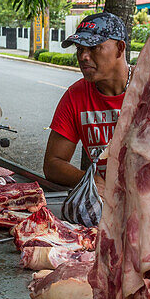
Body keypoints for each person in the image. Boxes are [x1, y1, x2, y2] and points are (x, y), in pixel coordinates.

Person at [43, 11, 131, 188]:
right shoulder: (76, 96)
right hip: (106, 204)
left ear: (120, 48)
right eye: (80, 49)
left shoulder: (149, 90)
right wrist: (90, 181)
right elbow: (53, 163)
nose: (83, 57)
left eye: (93, 47)